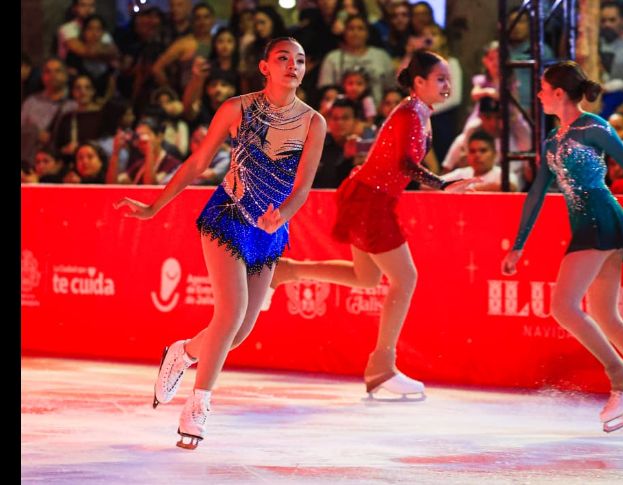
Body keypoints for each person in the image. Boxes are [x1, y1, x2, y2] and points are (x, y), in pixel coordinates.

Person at [114, 37, 326, 449]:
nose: (292, 66)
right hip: (227, 215)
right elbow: (196, 163)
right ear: (265, 66)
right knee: (230, 314)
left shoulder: (313, 122)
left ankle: (183, 351)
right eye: (282, 58)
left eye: (299, 60)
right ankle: (198, 405)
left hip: (268, 229)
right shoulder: (237, 108)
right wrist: (154, 206)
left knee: (241, 330)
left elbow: (302, 189)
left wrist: (281, 215)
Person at [268, 50, 477, 401]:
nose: (447, 86)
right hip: (371, 201)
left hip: (368, 195)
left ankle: (285, 271)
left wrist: (442, 180)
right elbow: (405, 163)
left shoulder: (416, 113)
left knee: (367, 278)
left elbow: (390, 155)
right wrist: (441, 183)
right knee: (405, 278)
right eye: (440, 79)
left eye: (448, 79)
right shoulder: (411, 113)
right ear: (420, 82)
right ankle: (383, 367)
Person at [500, 61, 623, 433]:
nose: (538, 95)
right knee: (606, 316)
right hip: (589, 223)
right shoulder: (553, 140)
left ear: (559, 93)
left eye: (542, 88)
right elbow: (537, 194)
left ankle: (622, 374)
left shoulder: (595, 128)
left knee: (563, 305)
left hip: (601, 218)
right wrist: (518, 245)